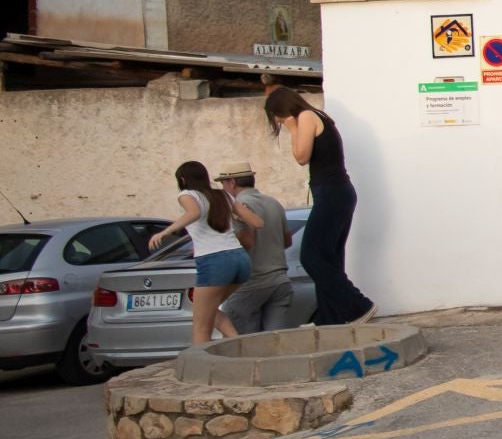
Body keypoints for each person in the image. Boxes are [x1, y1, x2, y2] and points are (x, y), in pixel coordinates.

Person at [265, 85, 376, 325]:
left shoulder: (306, 117)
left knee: (311, 257)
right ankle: (330, 319)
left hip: (332, 193)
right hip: (335, 192)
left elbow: (301, 156)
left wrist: (292, 127)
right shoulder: (318, 116)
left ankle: (359, 306)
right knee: (328, 258)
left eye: (277, 117)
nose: (279, 122)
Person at [147, 160, 265, 345]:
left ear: (183, 179)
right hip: (240, 260)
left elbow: (193, 212)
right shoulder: (223, 195)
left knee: (201, 327)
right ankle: (237, 342)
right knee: (209, 311)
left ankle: (201, 368)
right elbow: (258, 223)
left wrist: (165, 232)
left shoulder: (187, 194)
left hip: (214, 260)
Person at [214, 163, 295, 334]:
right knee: (276, 341)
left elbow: (247, 241)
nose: (224, 188)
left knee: (244, 345)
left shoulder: (238, 206)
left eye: (223, 183)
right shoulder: (274, 203)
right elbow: (287, 241)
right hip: (280, 281)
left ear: (232, 182)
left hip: (251, 282)